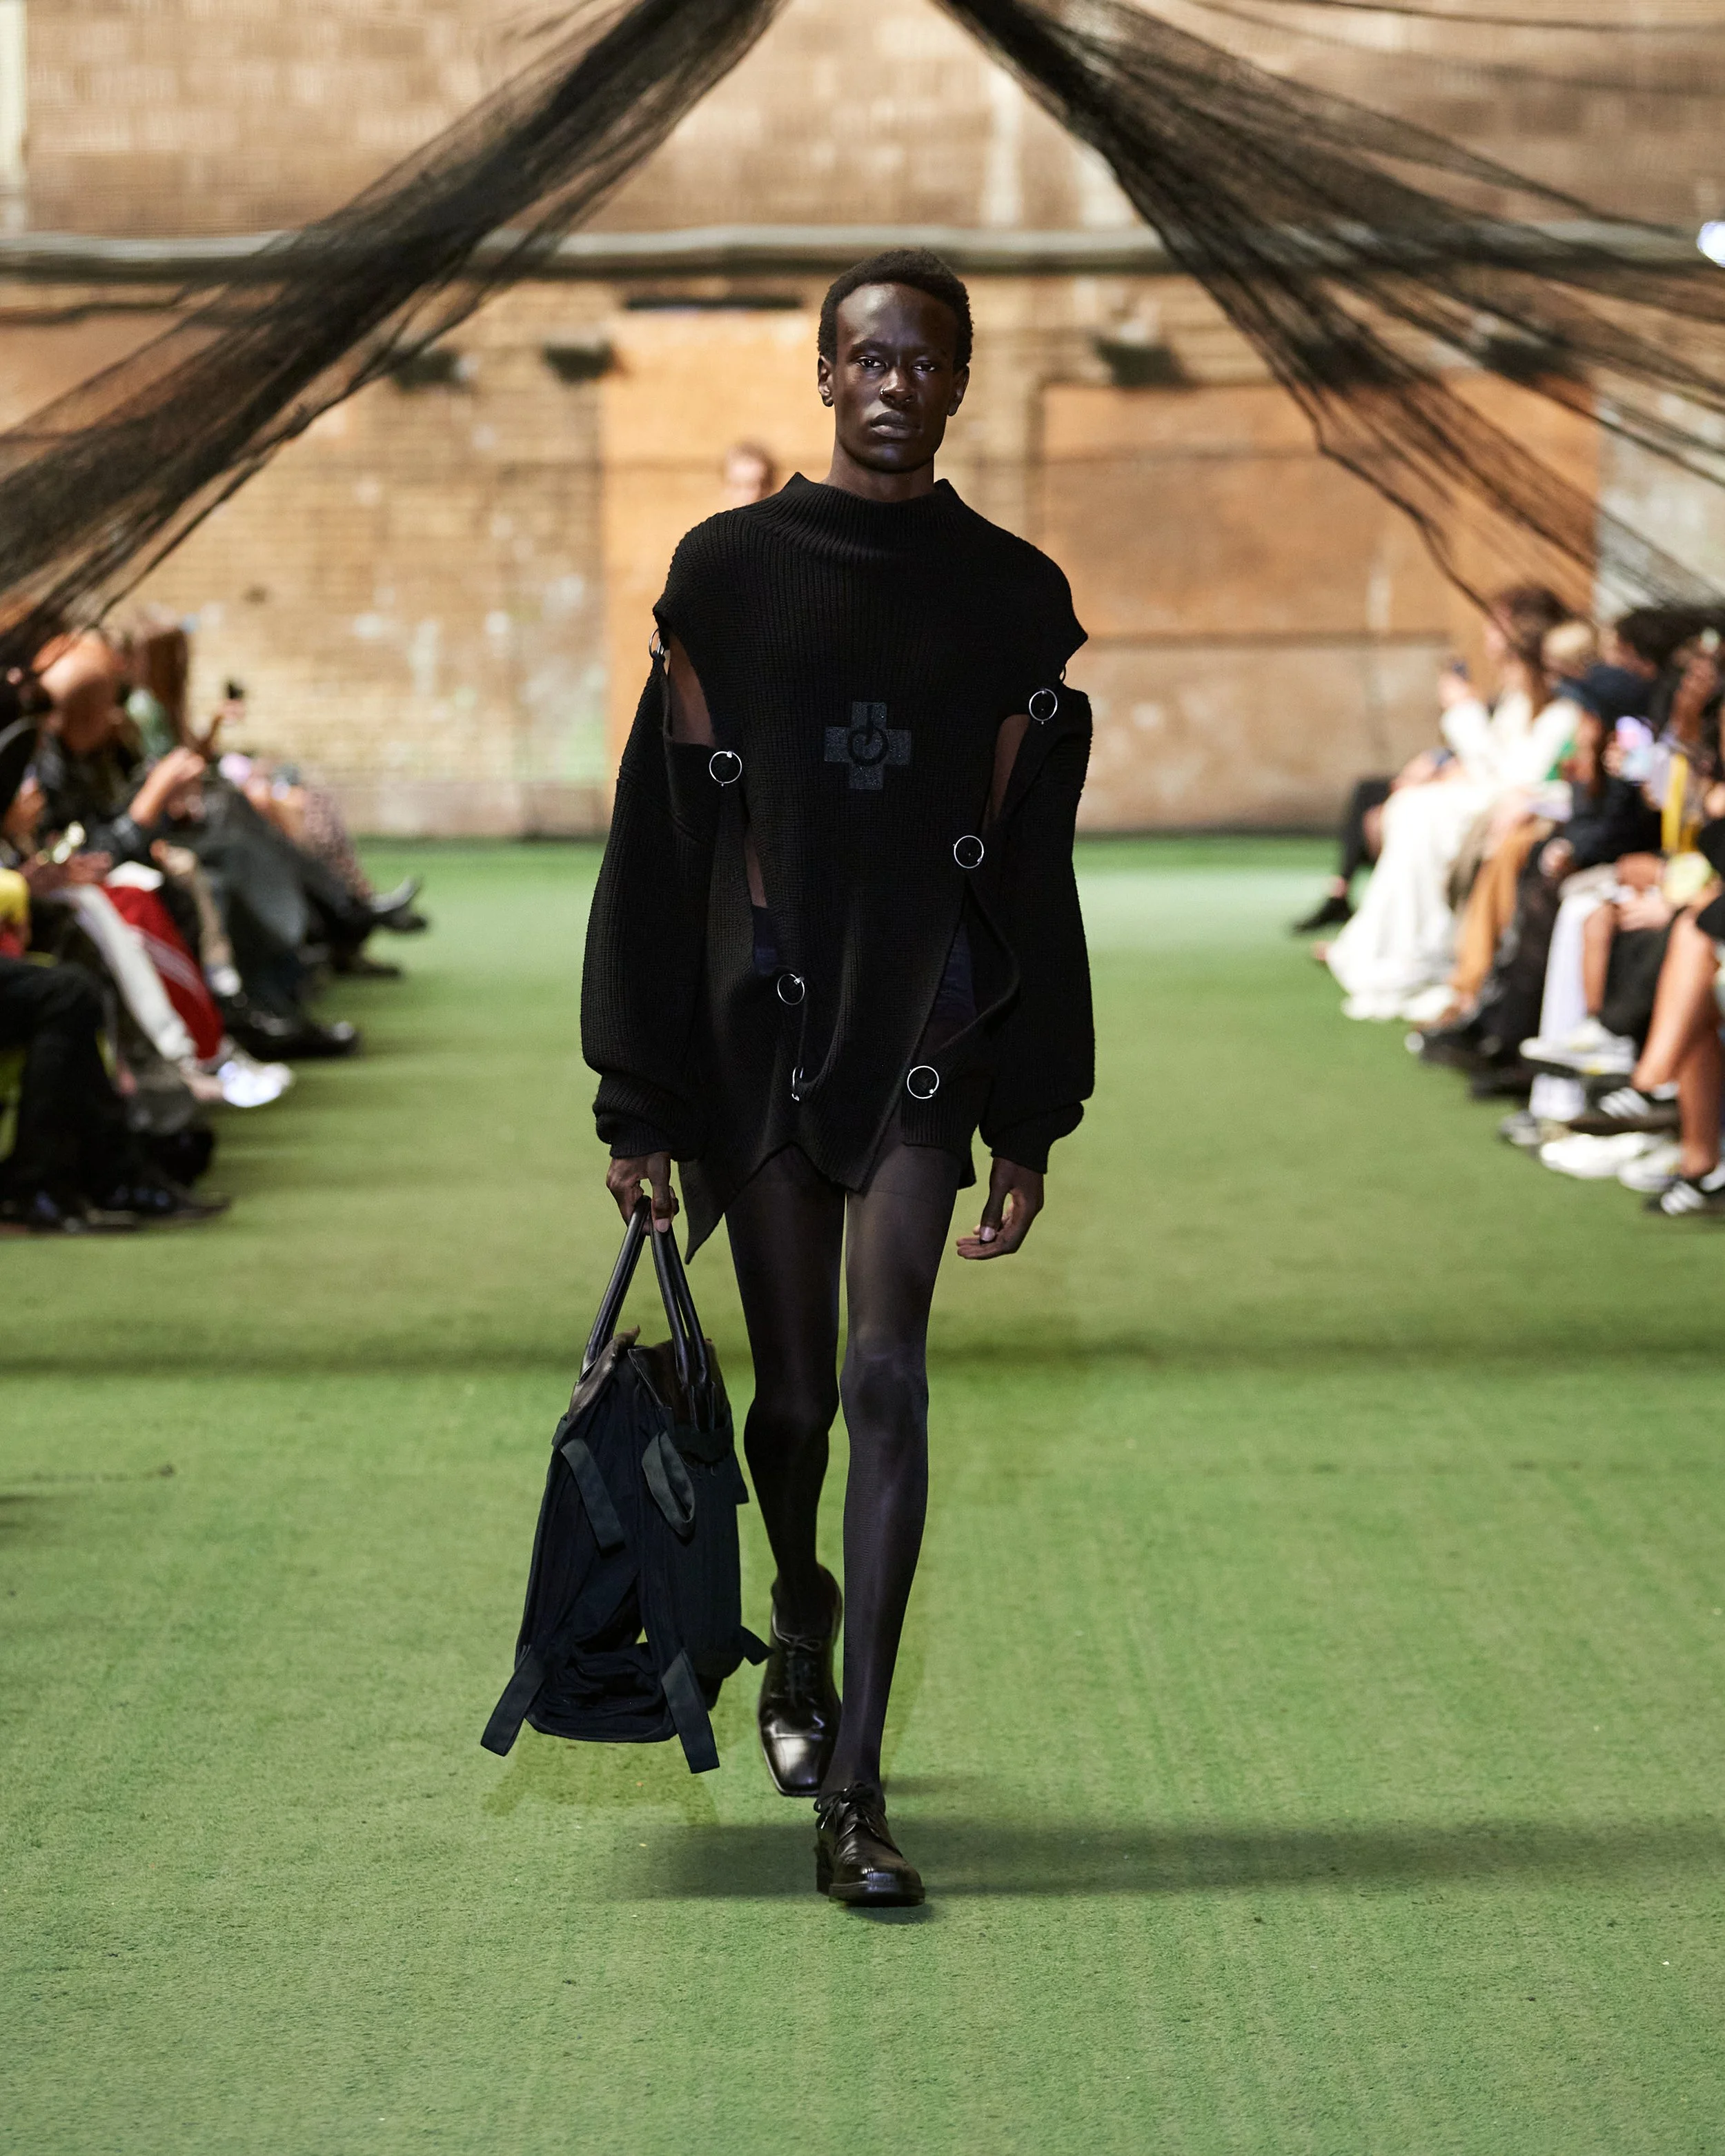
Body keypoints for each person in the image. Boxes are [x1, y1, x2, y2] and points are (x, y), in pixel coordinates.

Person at [582, 249, 1092, 1907]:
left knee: (887, 1376)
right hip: (762, 1019)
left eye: (922, 360)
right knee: (791, 1401)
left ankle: (855, 1787)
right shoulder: (725, 573)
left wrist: (1033, 1105)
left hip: (928, 1023)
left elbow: (1029, 870)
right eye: (866, 356)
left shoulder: (1012, 595)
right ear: (822, 374)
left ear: (958, 384)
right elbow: (661, 842)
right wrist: (635, 1095)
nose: (893, 383)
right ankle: (797, 1603)